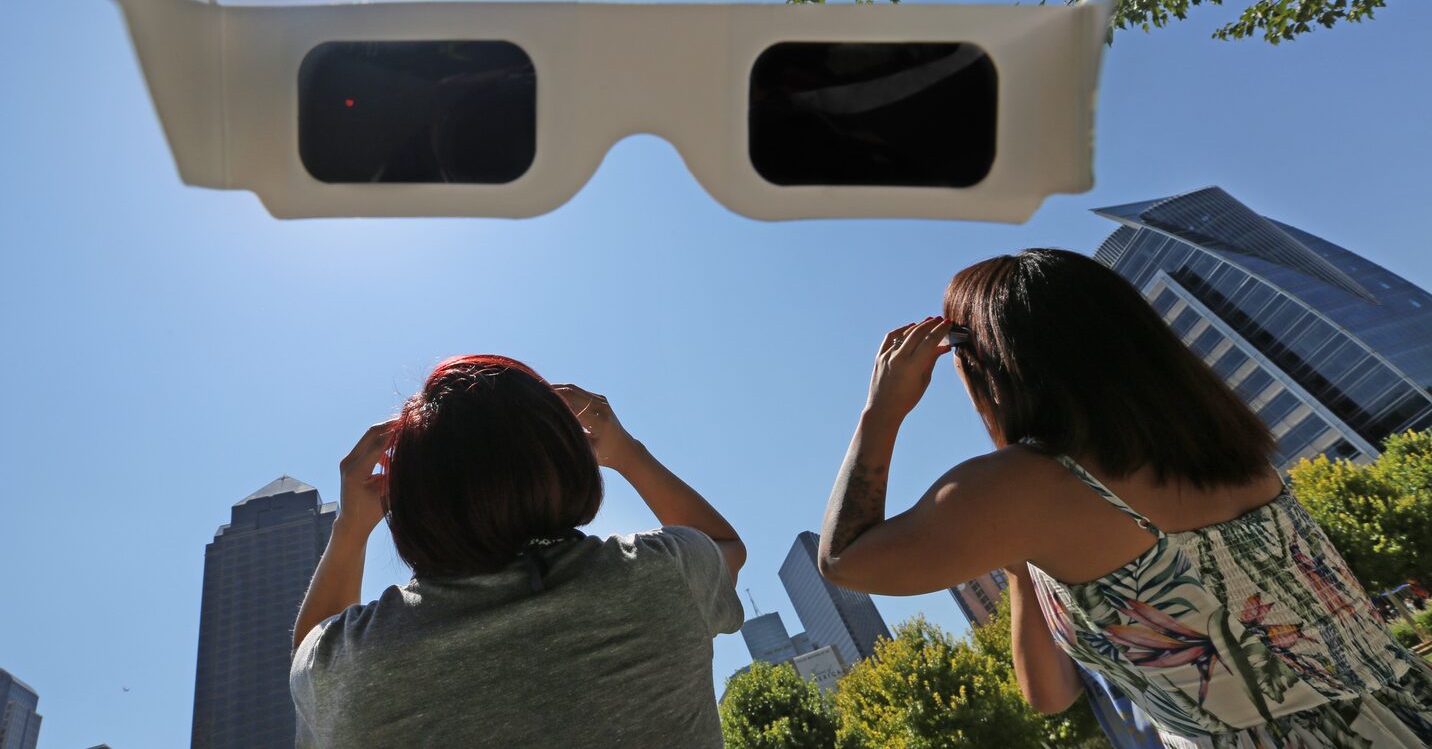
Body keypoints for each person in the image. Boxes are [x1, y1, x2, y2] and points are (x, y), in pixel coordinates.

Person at [819, 249, 1432, 747]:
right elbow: (1052, 695)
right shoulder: (1223, 443)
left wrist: (882, 410)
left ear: (990, 364)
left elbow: (845, 561)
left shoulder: (1029, 486)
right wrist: (1021, 573)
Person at [290, 355, 745, 747]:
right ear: (566, 458)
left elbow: (309, 657)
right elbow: (725, 548)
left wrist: (350, 528)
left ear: (408, 503)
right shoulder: (665, 574)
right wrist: (628, 452)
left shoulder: (354, 662)